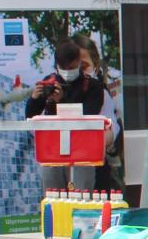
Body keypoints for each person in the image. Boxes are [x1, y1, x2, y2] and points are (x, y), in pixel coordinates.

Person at [28, 39, 104, 191]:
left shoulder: (93, 86)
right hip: (52, 151)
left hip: (82, 152)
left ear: (79, 62)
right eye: (63, 67)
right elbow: (31, 117)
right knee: (52, 196)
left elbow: (89, 114)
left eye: (71, 67)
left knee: (82, 195)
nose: (67, 71)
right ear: (57, 65)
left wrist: (61, 100)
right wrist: (34, 99)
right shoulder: (50, 83)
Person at [73, 34, 123, 192]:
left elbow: (113, 128)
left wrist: (102, 139)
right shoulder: (56, 94)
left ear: (95, 66)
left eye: (84, 66)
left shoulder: (101, 94)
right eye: (73, 67)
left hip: (95, 171)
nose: (79, 73)